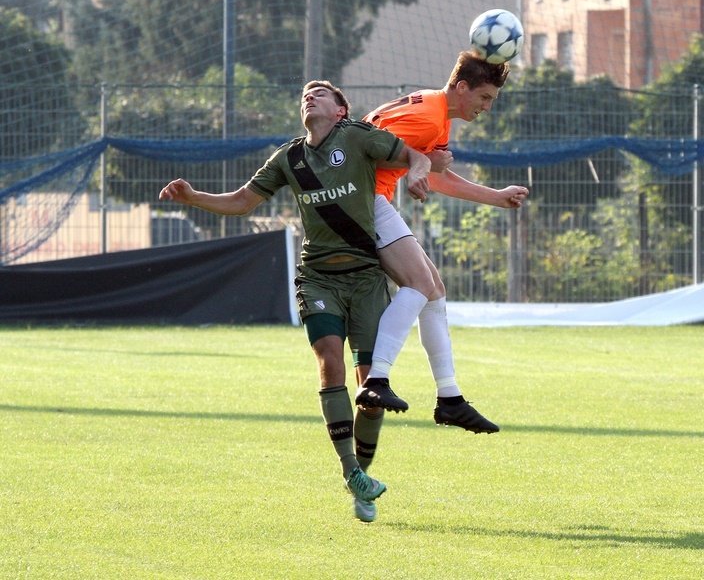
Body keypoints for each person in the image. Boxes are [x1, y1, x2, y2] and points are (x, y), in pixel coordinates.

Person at [159, 80, 431, 523]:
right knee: (330, 362)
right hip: (318, 277)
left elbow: (414, 156)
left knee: (371, 391)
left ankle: (360, 476)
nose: (311, 95)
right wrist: (194, 198)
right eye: (306, 94)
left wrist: (418, 171)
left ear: (341, 110)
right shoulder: (288, 158)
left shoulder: (360, 137)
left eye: (322, 92)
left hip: (366, 278)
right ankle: (351, 471)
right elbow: (242, 201)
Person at [361, 50, 529, 434]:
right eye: (484, 98)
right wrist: (419, 162)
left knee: (434, 291)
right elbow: (359, 155)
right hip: (360, 199)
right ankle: (377, 380)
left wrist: (496, 196)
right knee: (421, 285)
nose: (487, 108)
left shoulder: (436, 112)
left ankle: (450, 399)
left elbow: (435, 176)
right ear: (463, 87)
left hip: (371, 197)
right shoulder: (426, 117)